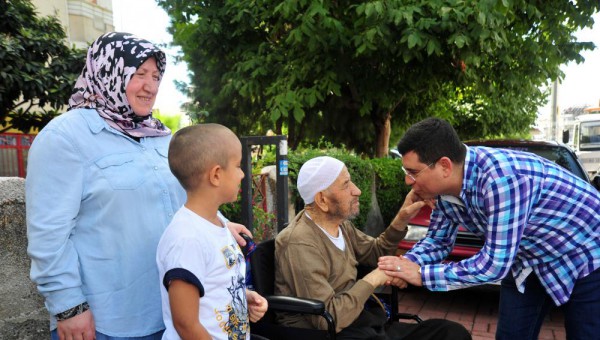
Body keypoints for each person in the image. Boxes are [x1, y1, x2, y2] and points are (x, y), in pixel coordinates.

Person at [26, 32, 251, 340]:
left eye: (156, 76)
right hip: (107, 321)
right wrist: (68, 307)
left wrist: (222, 225)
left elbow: (186, 195)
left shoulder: (160, 135)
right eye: (139, 74)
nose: (151, 86)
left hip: (174, 309)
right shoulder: (65, 138)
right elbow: (48, 235)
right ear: (109, 71)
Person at [378, 117, 600, 340]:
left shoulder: (502, 179)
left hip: (585, 252)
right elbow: (438, 241)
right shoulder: (444, 191)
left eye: (413, 172)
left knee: (585, 334)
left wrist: (420, 274)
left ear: (444, 166)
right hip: (526, 259)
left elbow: (494, 265)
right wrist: (405, 264)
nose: (408, 181)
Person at [274, 156, 471, 339]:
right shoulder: (300, 243)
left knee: (452, 334)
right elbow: (328, 317)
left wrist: (402, 218)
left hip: (361, 322)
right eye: (346, 185)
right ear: (322, 200)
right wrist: (377, 276)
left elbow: (376, 252)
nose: (357, 190)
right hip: (332, 332)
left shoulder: (340, 225)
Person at [156, 124, 268, 339]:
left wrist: (244, 296)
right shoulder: (187, 238)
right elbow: (186, 324)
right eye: (237, 166)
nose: (243, 174)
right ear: (216, 175)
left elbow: (213, 285)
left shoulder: (217, 225)